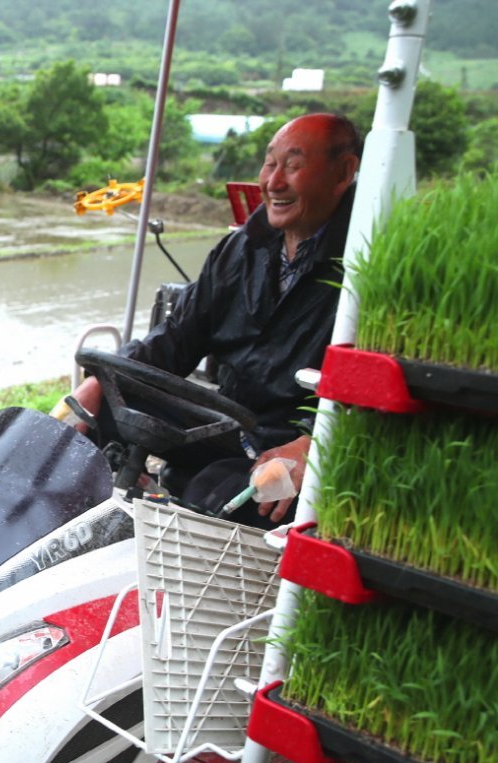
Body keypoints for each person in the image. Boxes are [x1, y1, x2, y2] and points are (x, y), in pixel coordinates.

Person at [65, 113, 362, 527]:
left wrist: (312, 445)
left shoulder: (367, 266)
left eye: (293, 166)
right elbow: (176, 338)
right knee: (89, 421)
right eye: (270, 163)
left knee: (213, 489)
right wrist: (101, 382)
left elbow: (367, 391)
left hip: (288, 445)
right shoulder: (242, 249)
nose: (274, 182)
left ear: (344, 173)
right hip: (229, 424)